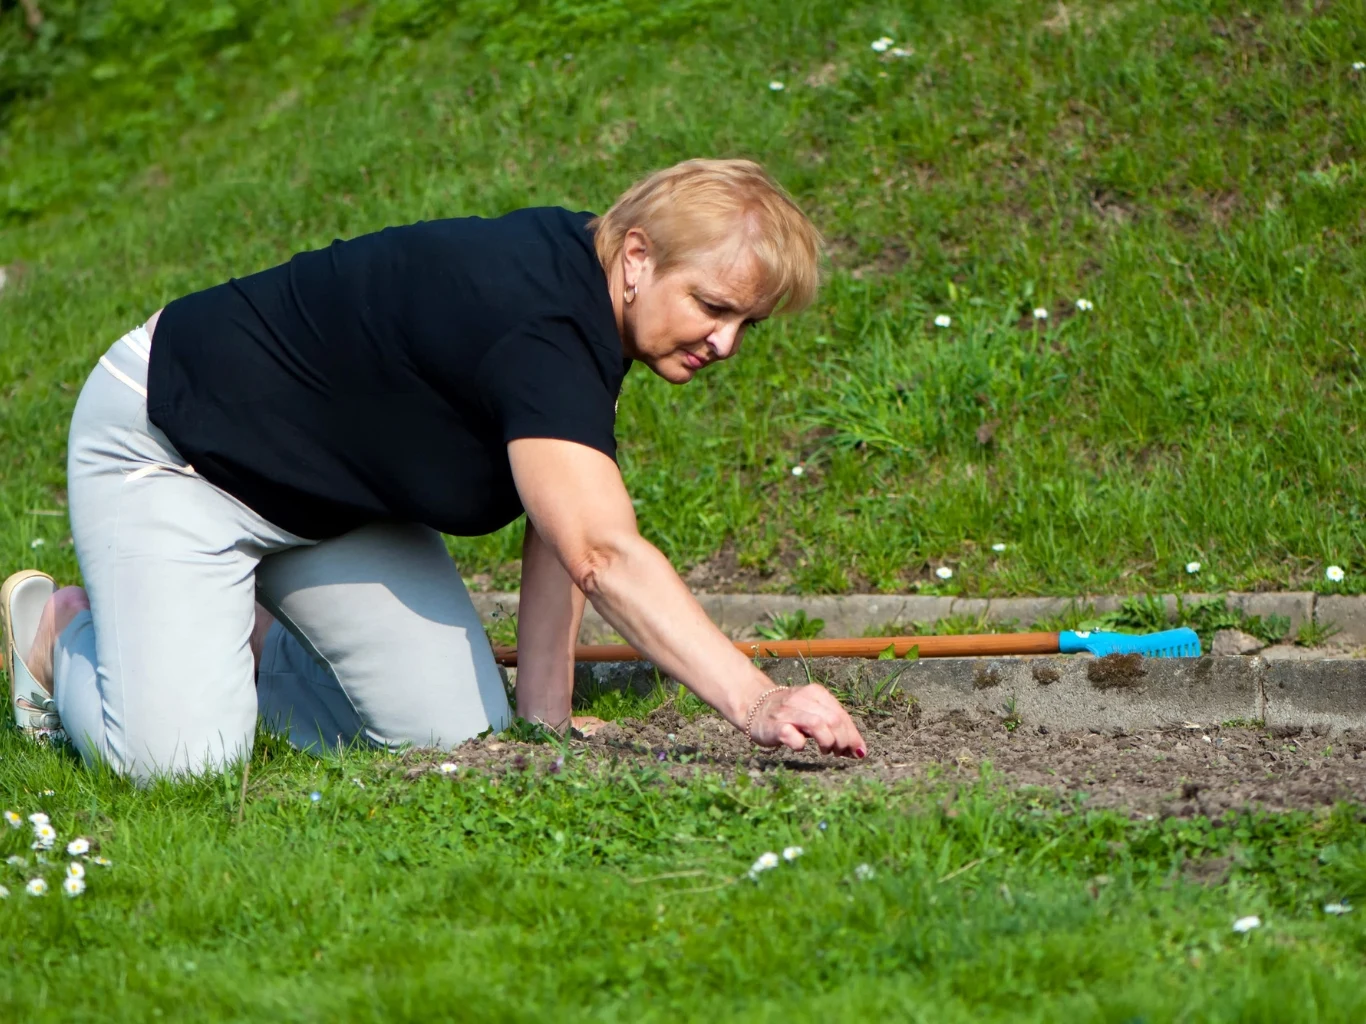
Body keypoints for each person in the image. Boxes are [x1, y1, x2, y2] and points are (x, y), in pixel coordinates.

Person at [1, 158, 867, 782]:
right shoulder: (540, 323)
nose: (725, 343)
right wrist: (756, 701)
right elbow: (602, 553)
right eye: (714, 308)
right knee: (181, 766)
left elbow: (560, 528)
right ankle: (58, 636)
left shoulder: (587, 296)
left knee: (454, 734)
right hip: (182, 451)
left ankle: (234, 639)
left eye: (746, 324)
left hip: (330, 504)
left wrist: (546, 719)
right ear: (638, 258)